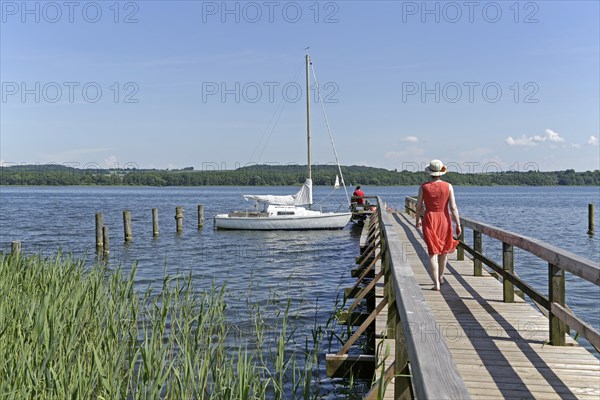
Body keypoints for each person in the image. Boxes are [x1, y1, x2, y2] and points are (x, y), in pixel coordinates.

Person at [415, 159, 461, 291]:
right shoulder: (448, 186)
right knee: (444, 251)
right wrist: (458, 224)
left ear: (430, 172)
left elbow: (418, 206)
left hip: (429, 219)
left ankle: (436, 284)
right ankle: (441, 277)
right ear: (441, 172)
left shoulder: (423, 187)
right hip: (444, 219)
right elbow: (453, 208)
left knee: (432, 252)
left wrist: (417, 219)